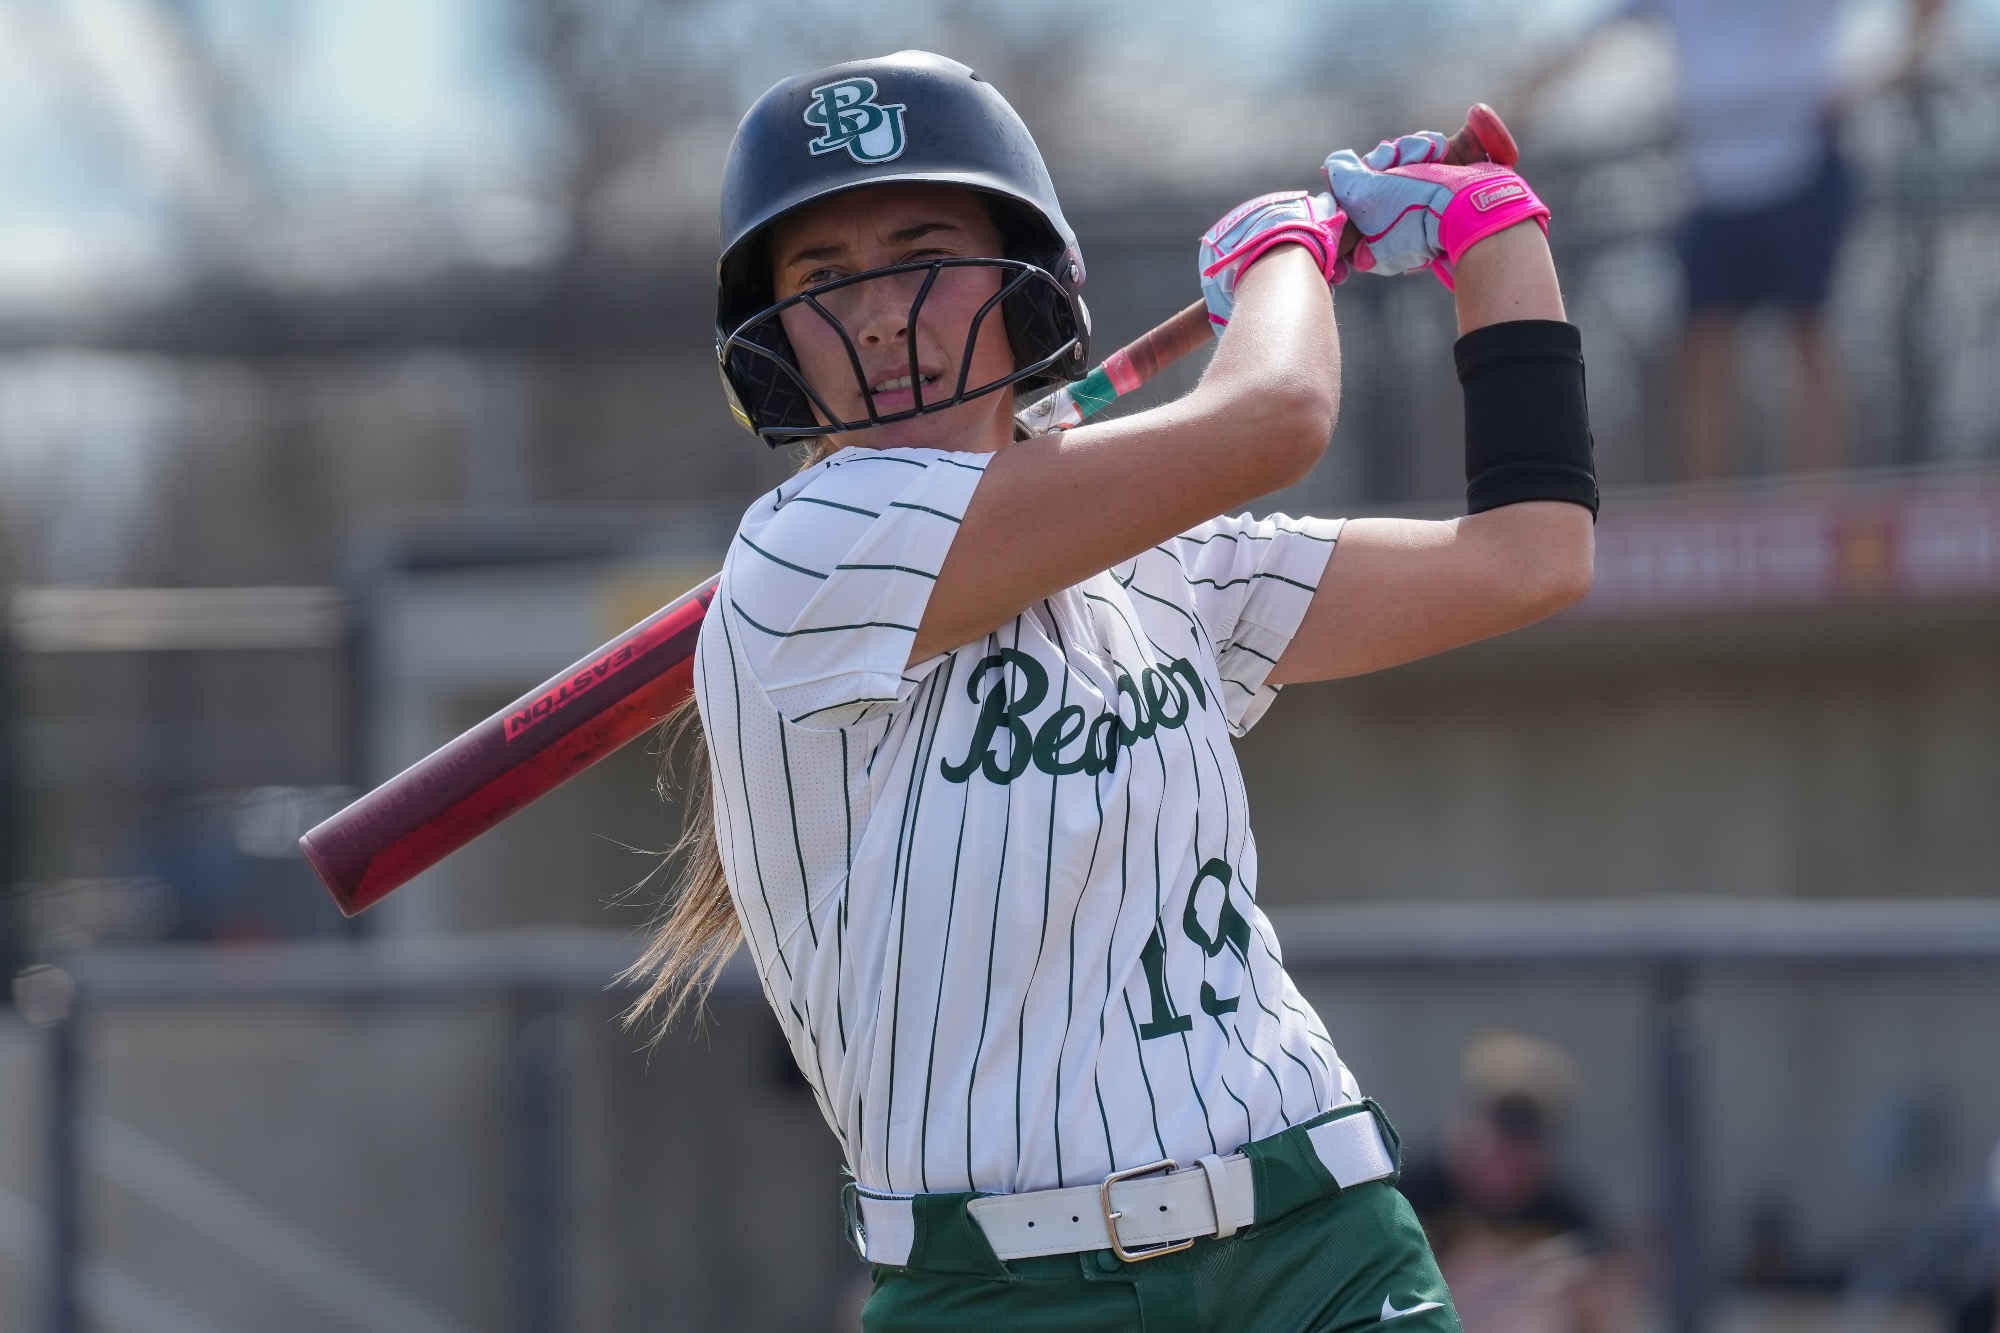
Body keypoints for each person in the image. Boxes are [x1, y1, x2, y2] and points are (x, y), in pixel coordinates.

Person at [626, 50, 1597, 1331]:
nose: (875, 312)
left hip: (1318, 1234)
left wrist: (1493, 238)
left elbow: (1529, 556)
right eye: (823, 278)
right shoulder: (801, 554)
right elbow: (1276, 413)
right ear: (775, 336)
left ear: (1019, 277)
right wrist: (1278, 251)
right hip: (999, 1288)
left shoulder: (1158, 569)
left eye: (920, 250)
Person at [1524, 0, 1944, 480]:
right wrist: (1510, 103)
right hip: (1715, 187)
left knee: (1809, 334)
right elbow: (1579, 42)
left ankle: (1817, 500)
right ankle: (1709, 515)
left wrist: (1899, 63)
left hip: (1804, 168)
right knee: (1702, 347)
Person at [1399, 1032, 1634, 1333]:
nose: (1505, 1166)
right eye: (1497, 1148)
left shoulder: (1563, 1212)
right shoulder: (1410, 1195)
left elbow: (1607, 1289)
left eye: (1521, 1152)